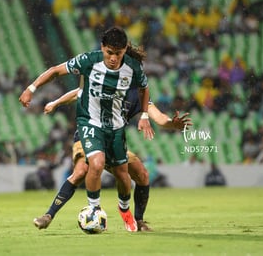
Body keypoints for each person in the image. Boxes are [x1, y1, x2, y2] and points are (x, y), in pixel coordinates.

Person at [20, 26, 155, 232]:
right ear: (102, 48)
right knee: (95, 164)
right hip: (89, 123)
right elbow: (56, 71)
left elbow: (144, 89)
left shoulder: (133, 68)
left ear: (125, 49)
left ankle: (125, 210)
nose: (112, 58)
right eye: (109, 53)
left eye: (117, 54)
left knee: (123, 174)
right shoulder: (88, 61)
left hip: (116, 128)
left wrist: (145, 115)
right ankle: (93, 210)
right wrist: (31, 89)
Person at [29, 86, 192, 232]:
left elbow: (159, 117)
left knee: (142, 174)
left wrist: (172, 123)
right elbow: (80, 92)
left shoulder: (139, 93)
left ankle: (138, 220)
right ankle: (48, 216)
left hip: (113, 141)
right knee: (81, 171)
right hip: (89, 134)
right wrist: (56, 103)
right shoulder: (108, 77)